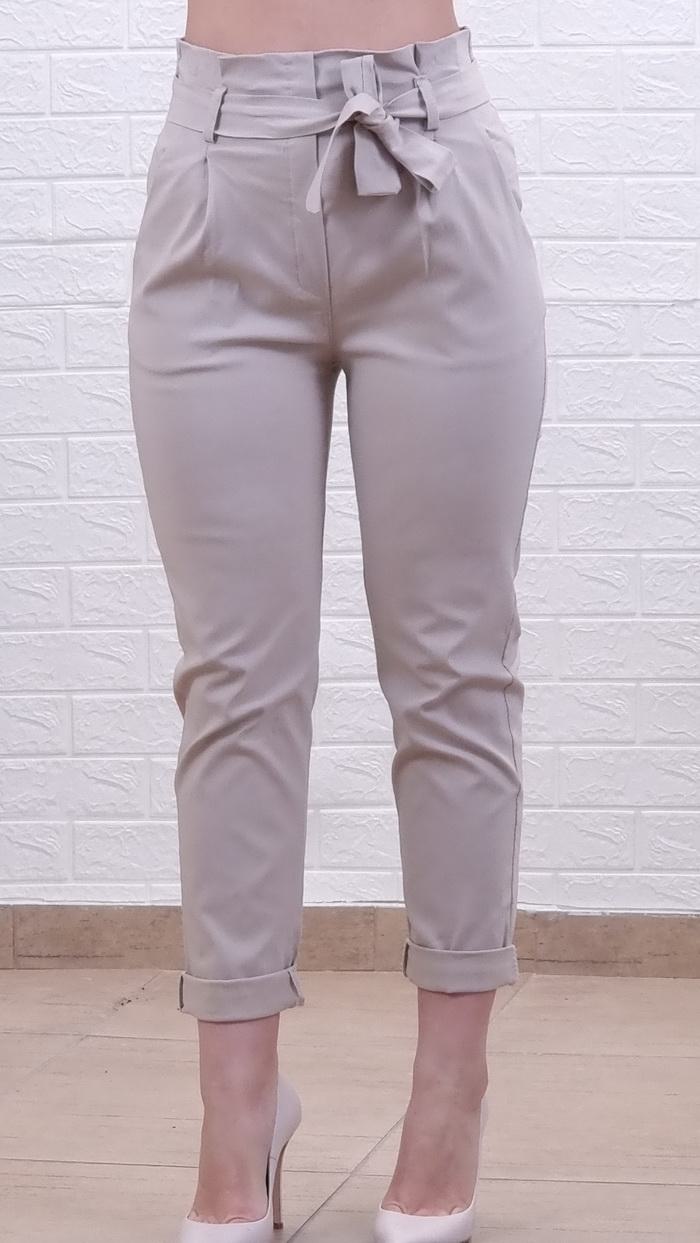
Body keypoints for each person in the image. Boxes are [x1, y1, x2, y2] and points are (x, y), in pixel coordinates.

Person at [127, 2, 547, 1240]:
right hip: (220, 175)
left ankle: (449, 1098)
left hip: (431, 160)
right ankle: (237, 1117)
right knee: (234, 683)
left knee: (455, 671)